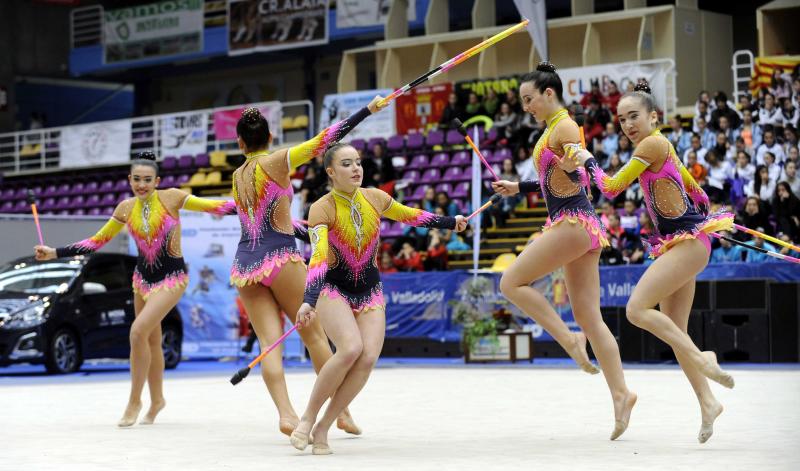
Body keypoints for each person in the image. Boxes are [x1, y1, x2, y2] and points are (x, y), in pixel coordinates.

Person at [567, 80, 735, 444]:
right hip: (680, 242)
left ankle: (703, 357)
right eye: (621, 119)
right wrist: (696, 210)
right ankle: (708, 402)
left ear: (653, 117)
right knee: (675, 330)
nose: (627, 125)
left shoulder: (652, 143)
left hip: (688, 244)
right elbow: (697, 192)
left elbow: (610, 188)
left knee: (636, 309)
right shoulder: (662, 147)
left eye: (634, 116)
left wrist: (589, 160)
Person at [35, 152, 238, 427]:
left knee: (137, 331)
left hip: (172, 278)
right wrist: (54, 252)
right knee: (151, 341)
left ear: (157, 181)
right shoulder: (125, 207)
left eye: (148, 180)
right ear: (130, 179)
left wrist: (252, 206)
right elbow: (96, 241)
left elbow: (214, 207)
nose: (142, 185)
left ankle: (134, 401)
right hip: (142, 281)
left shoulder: (172, 197)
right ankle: (157, 400)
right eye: (137, 179)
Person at [289, 142, 466, 454]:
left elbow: (411, 216)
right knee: (350, 349)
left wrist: (450, 222)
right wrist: (309, 298)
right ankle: (307, 418)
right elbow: (318, 256)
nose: (356, 168)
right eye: (346, 164)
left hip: (369, 290)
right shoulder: (321, 208)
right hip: (334, 288)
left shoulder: (376, 197)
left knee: (368, 356)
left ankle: (324, 426)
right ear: (331, 172)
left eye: (358, 162)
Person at [491, 62, 637, 441]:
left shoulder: (566, 127)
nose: (526, 107)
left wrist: (574, 168)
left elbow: (581, 175)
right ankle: (621, 394)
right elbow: (551, 176)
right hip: (578, 226)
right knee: (589, 317)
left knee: (511, 282)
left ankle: (568, 339)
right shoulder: (552, 129)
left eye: (529, 99)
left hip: (572, 221)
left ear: (548, 93)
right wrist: (519, 187)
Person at [229, 98, 385, 436]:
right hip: (279, 258)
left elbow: (263, 218)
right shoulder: (276, 161)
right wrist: (367, 111)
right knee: (314, 336)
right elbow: (324, 141)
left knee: (268, 342)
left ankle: (286, 414)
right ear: (271, 137)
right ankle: (341, 412)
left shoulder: (237, 175)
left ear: (240, 143)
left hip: (245, 266)